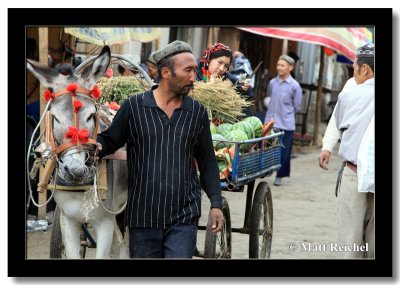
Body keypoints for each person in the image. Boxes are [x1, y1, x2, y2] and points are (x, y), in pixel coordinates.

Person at [95, 40, 224, 258]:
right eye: (188, 70)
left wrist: (216, 203)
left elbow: (208, 161)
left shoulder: (197, 113)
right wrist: (93, 145)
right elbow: (110, 140)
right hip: (143, 216)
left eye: (194, 70)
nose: (194, 77)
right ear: (166, 72)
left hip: (184, 216)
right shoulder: (134, 107)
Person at [334, 43, 374, 258]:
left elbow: (340, 128)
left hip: (355, 174)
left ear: (365, 69)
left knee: (350, 245)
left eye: (354, 68)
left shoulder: (349, 95)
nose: (354, 73)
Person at [263, 54, 303, 186]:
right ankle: (267, 171)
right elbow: (270, 97)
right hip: (270, 122)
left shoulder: (295, 86)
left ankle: (279, 176)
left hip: (286, 124)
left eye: (282, 65)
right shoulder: (272, 83)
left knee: (284, 153)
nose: (279, 68)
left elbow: (297, 106)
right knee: (268, 148)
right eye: (278, 65)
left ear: (290, 67)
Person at [196, 43, 252, 116]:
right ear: (209, 59)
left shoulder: (228, 79)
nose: (222, 69)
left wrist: (245, 88)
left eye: (226, 66)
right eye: (220, 62)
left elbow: (244, 92)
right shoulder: (194, 74)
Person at [318, 77, 357, 171]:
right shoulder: (353, 83)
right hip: (352, 163)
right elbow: (338, 117)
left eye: (355, 67)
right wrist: (327, 147)